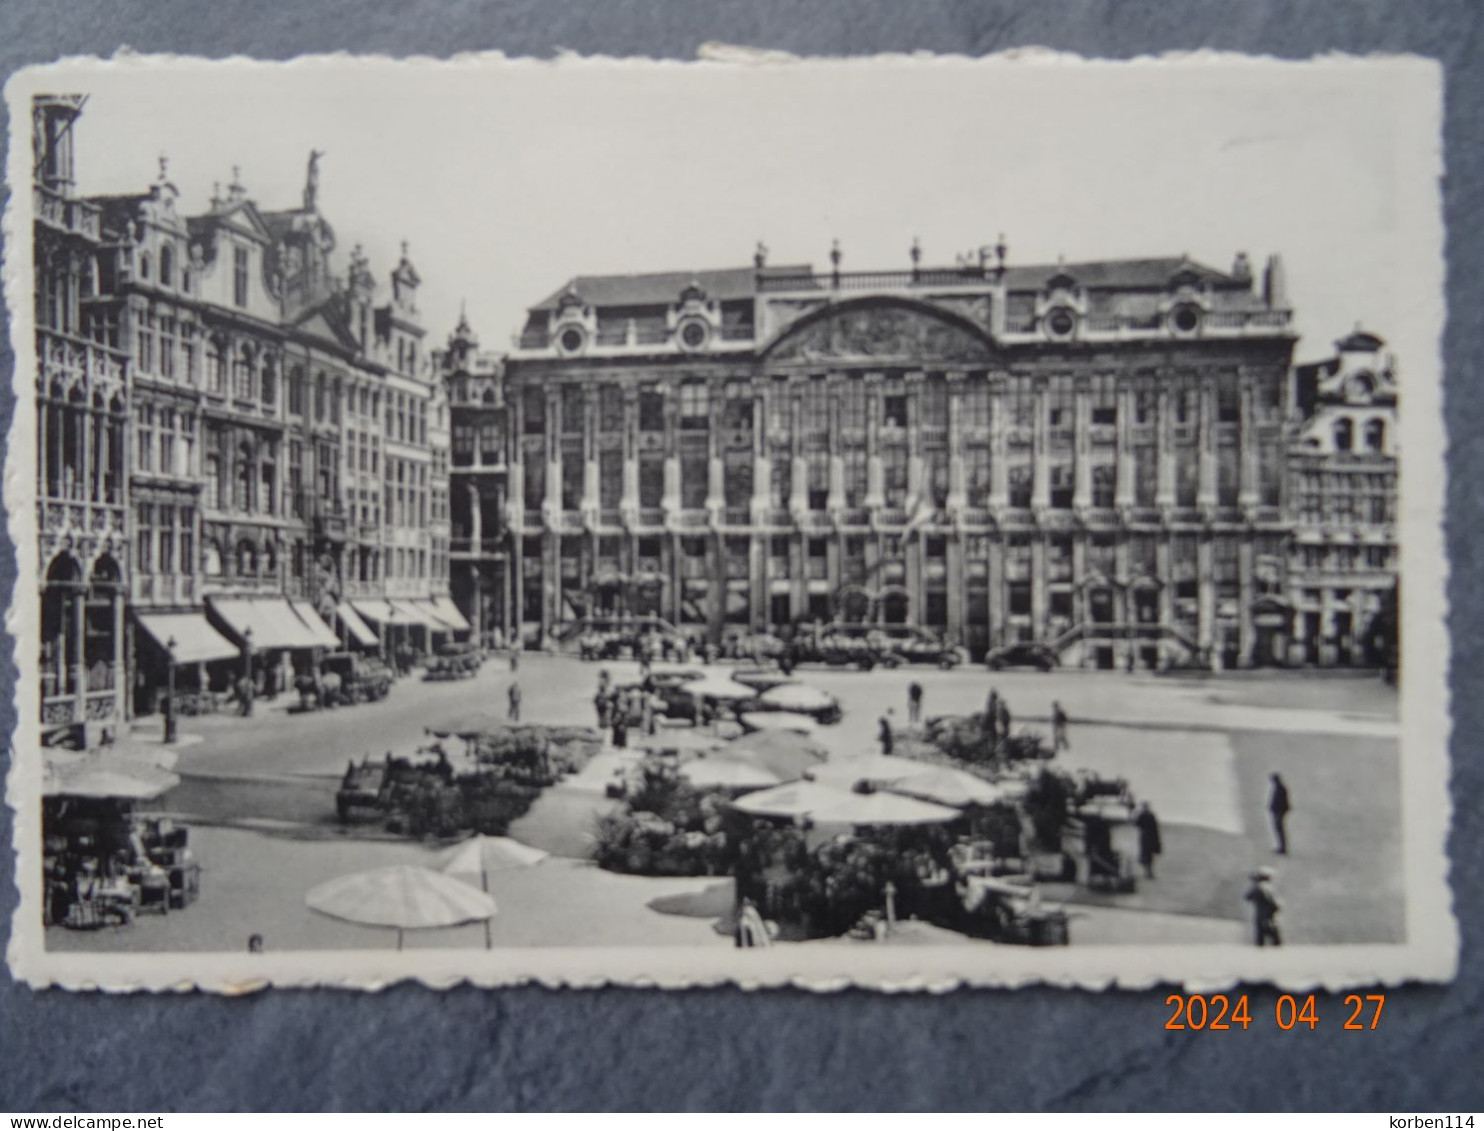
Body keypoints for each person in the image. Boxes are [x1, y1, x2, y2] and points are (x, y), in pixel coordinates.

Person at [1244, 866, 1282, 946]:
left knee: (1260, 941)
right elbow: (1274, 903)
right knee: (1276, 941)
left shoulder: (1256, 887)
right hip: (1269, 918)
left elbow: (1247, 897)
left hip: (1259, 917)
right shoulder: (1267, 887)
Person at [1134, 801, 1162, 879]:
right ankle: (1149, 872)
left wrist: (1135, 814)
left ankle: (1147, 873)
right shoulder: (1151, 815)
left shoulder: (1142, 815)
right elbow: (1155, 827)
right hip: (1151, 837)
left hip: (1144, 836)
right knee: (1149, 855)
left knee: (1145, 854)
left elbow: (1136, 824)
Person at [1268, 772, 1291, 855]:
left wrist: (1274, 808)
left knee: (1279, 830)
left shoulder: (1280, 789)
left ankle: (1282, 848)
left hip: (1279, 812)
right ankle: (1281, 847)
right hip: (1278, 811)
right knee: (1279, 829)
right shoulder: (1279, 788)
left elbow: (1280, 801)